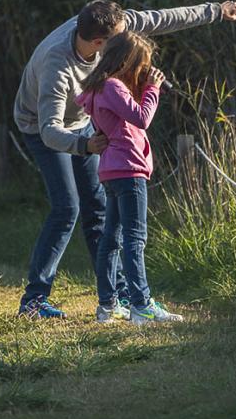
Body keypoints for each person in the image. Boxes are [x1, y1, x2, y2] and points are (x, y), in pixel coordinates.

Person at [13, 0, 236, 319]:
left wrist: (216, 11)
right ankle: (34, 300)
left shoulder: (108, 26)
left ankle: (118, 298)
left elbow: (161, 18)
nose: (129, 41)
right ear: (101, 43)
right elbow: (49, 130)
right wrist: (85, 146)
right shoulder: (58, 65)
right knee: (67, 207)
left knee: (100, 210)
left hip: (85, 122)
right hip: (42, 125)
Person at [76, 32, 181, 325]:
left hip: (111, 171)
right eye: (143, 64)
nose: (146, 70)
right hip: (128, 170)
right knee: (135, 239)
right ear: (129, 62)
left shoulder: (99, 87)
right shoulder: (113, 86)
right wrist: (152, 89)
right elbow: (142, 118)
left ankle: (108, 304)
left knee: (111, 239)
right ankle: (141, 304)